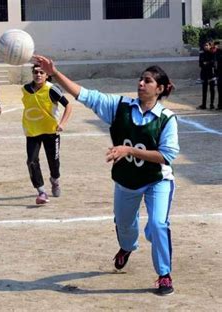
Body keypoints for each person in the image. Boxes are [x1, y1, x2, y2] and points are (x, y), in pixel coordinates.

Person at [34, 55, 179, 296]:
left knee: (158, 224)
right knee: (124, 225)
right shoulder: (119, 106)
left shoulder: (166, 119)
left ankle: (164, 275)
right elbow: (85, 95)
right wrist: (55, 73)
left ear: (160, 88)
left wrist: (129, 150)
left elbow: (167, 156)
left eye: (148, 81)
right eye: (140, 79)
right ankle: (126, 247)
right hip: (126, 180)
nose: (141, 84)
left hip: (157, 180)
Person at [21, 64, 72, 204]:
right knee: (31, 161)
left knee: (54, 162)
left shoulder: (52, 89)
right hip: (32, 131)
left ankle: (55, 180)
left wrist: (62, 123)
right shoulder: (25, 89)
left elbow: (68, 105)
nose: (38, 75)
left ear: (46, 75)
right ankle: (42, 191)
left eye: (41, 72)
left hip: (51, 131)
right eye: (35, 72)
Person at [198, 40, 216, 109]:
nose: (206, 46)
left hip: (211, 73)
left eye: (207, 45)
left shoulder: (212, 54)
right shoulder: (202, 54)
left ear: (210, 46)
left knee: (212, 89)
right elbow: (200, 64)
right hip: (204, 74)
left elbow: (213, 63)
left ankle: (212, 104)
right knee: (204, 90)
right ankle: (204, 105)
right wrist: (206, 64)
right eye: (205, 45)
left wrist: (206, 63)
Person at [215, 41, 222, 110]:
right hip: (219, 74)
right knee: (219, 90)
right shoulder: (217, 52)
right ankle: (220, 105)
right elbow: (216, 63)